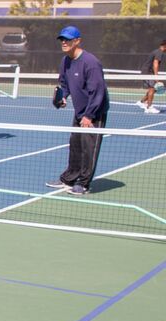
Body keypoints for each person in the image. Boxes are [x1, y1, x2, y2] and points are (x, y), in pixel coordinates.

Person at [49, 26, 109, 196]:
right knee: (75, 145)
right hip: (79, 110)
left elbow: (98, 92)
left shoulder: (91, 63)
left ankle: (83, 184)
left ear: (77, 41)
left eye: (68, 39)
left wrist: (89, 116)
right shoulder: (65, 61)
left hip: (94, 112)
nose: (64, 42)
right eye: (62, 39)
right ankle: (69, 178)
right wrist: (63, 97)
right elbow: (64, 84)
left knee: (88, 148)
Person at [135, 39, 166, 114]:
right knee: (152, 89)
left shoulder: (157, 51)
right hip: (147, 72)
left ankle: (142, 102)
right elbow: (155, 64)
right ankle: (149, 107)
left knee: (153, 89)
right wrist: (156, 77)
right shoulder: (159, 52)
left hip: (147, 72)